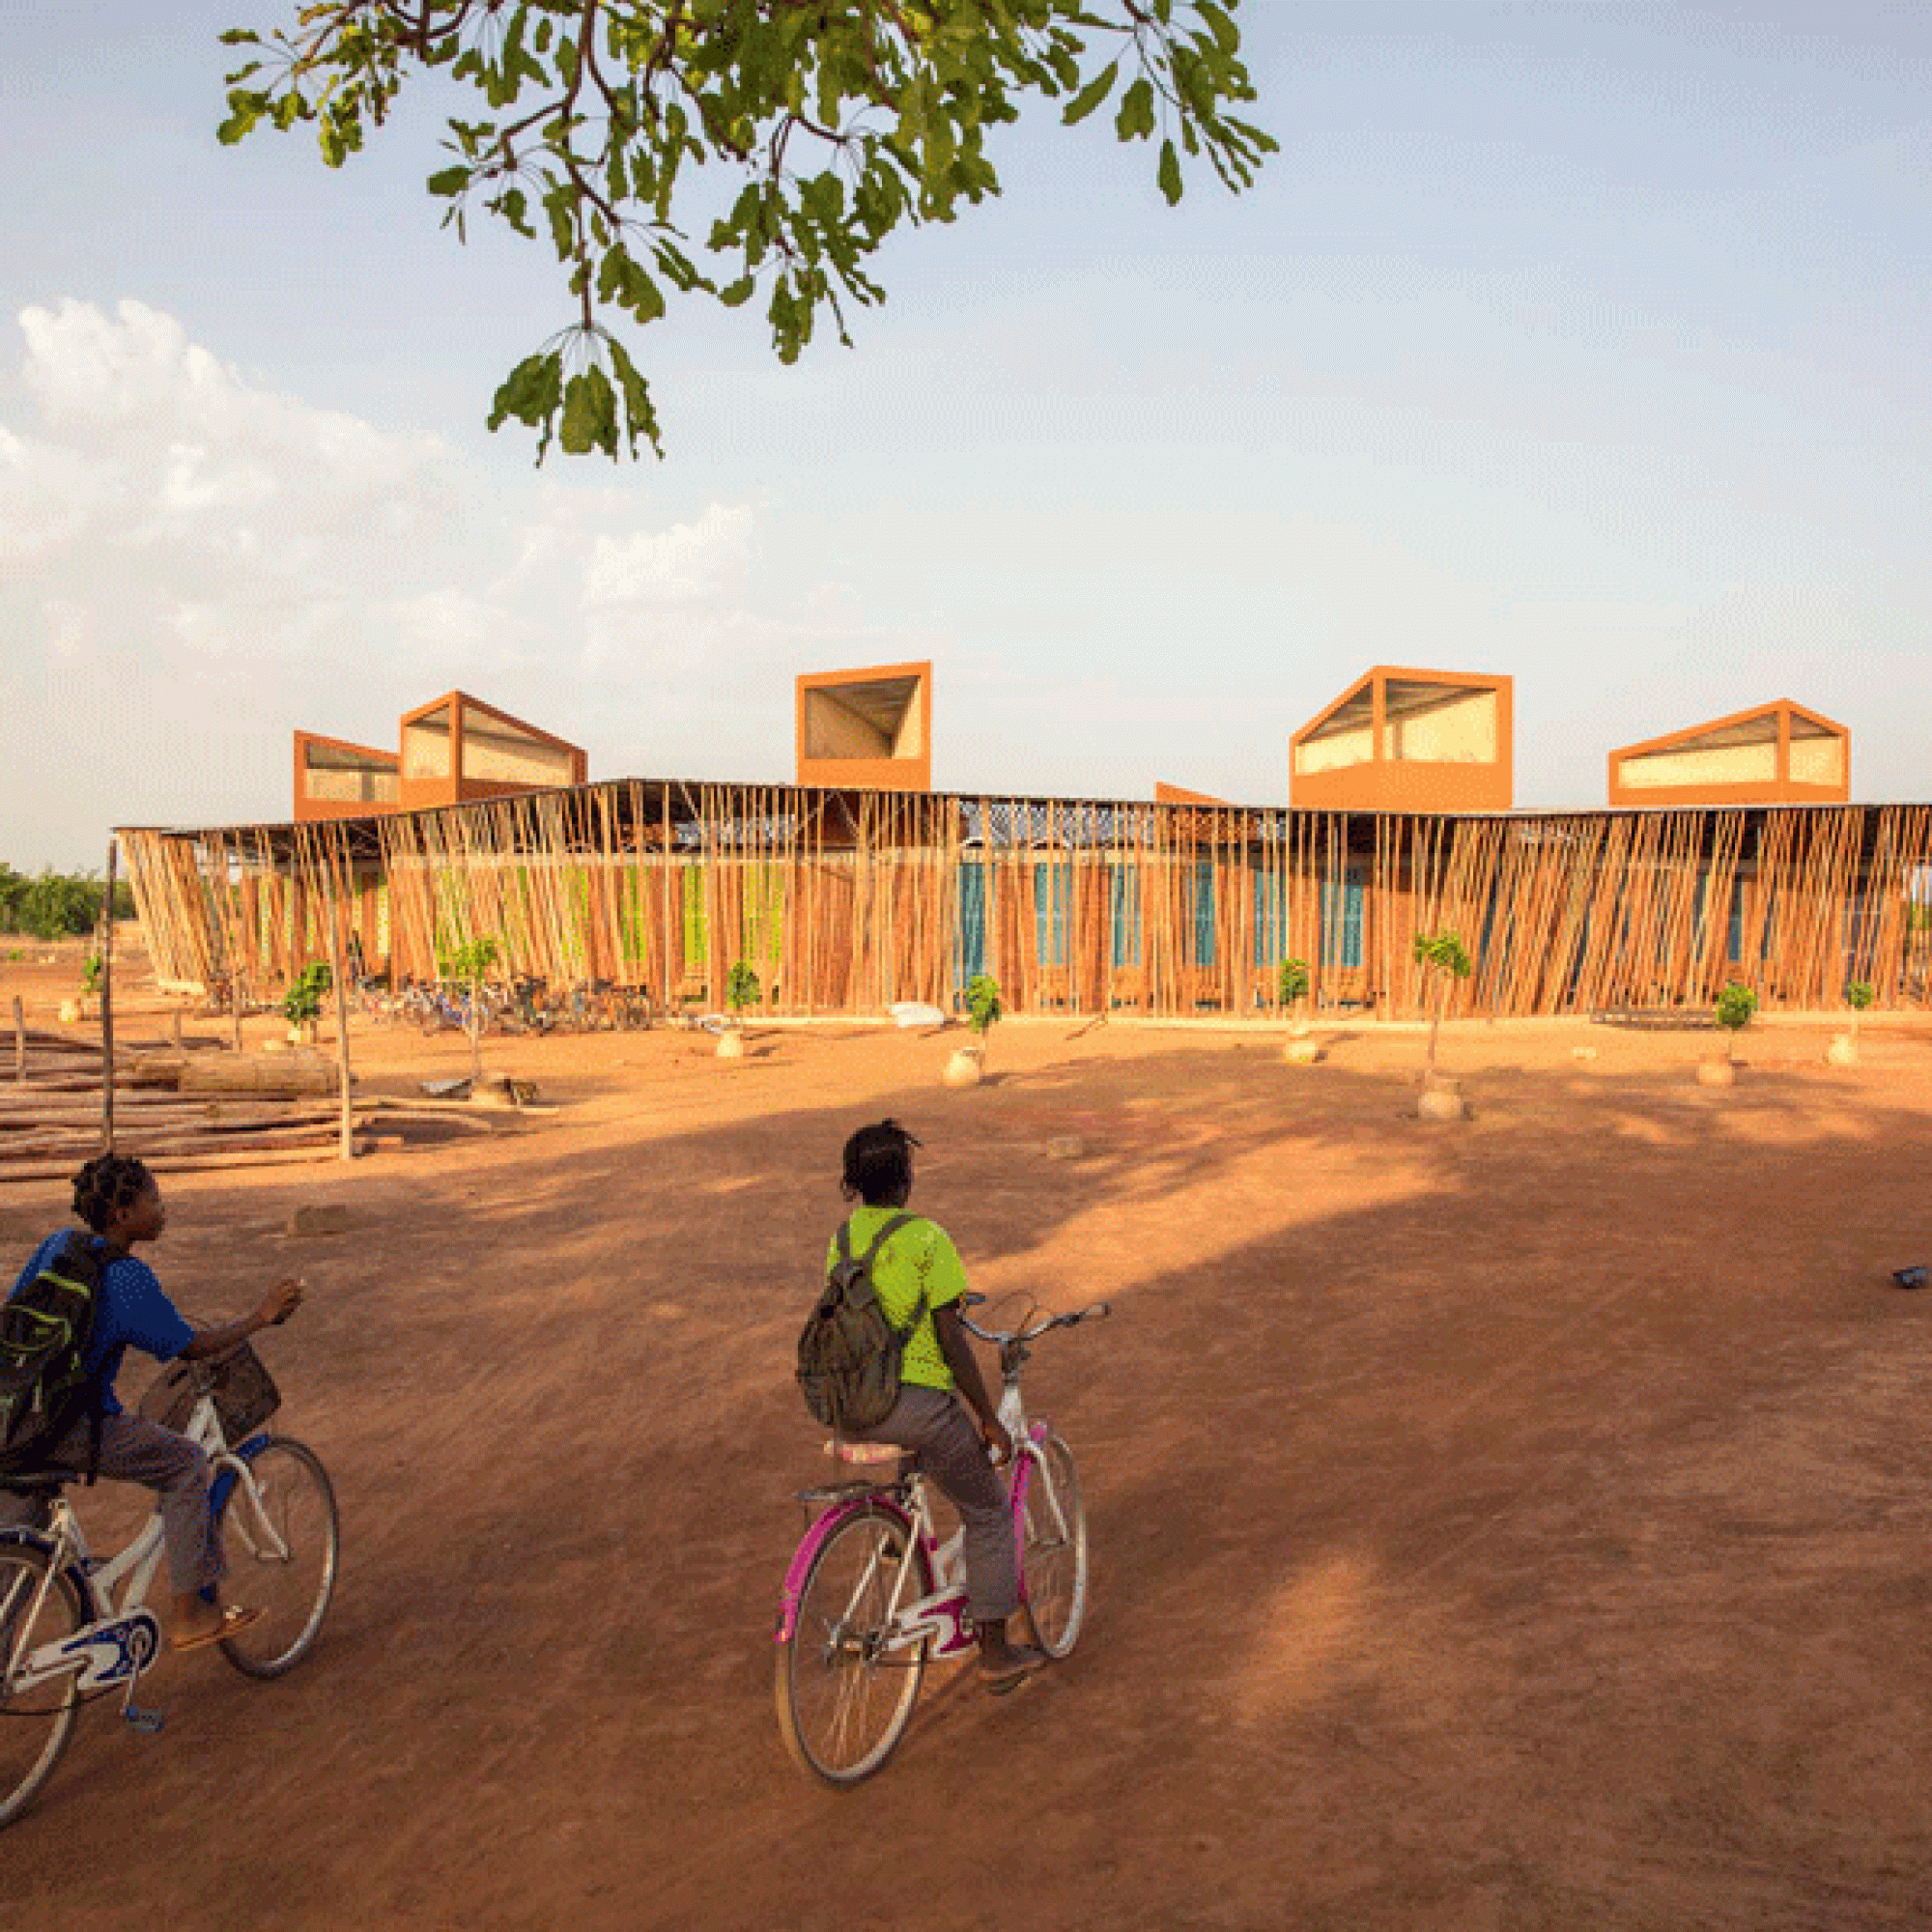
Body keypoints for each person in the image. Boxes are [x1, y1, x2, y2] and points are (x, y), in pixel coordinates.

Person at [0, 1154, 303, 1653]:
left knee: (18, 1540)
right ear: (122, 1214)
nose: (162, 1209)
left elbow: (15, 1309)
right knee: (186, 1464)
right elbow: (190, 1346)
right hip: (73, 1426)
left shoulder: (58, 1244)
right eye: (153, 1200)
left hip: (15, 1420)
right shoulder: (127, 1278)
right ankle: (191, 1615)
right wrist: (261, 1316)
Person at [828, 1119, 1047, 1690]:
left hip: (852, 1403)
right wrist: (989, 1417)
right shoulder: (928, 1238)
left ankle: (908, 1549)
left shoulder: (845, 1240)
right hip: (916, 1405)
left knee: (925, 1462)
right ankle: (996, 1651)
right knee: (990, 1512)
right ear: (905, 1179)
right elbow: (951, 1338)